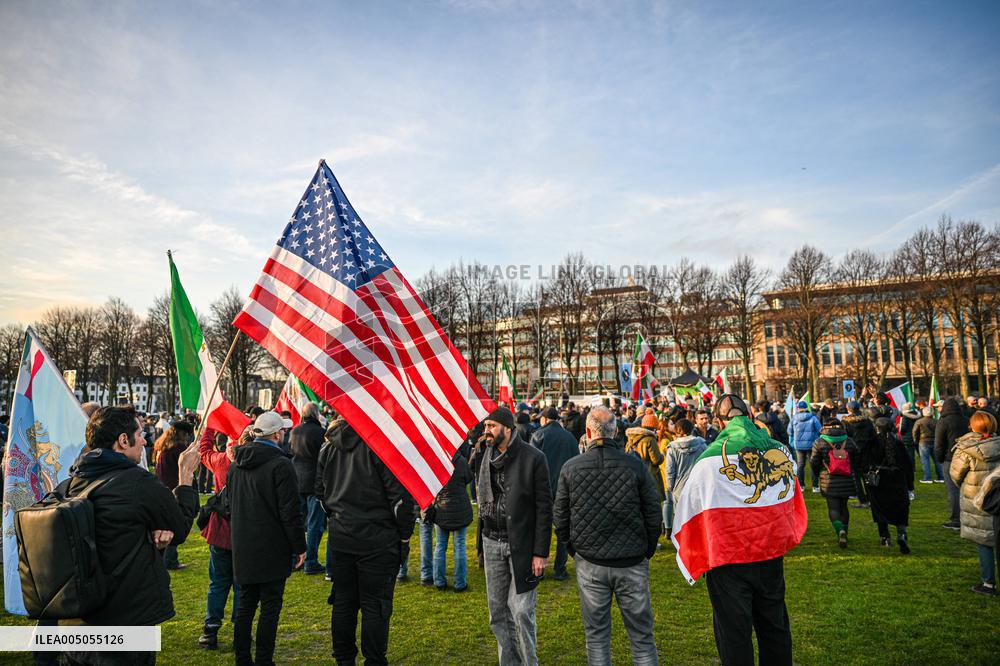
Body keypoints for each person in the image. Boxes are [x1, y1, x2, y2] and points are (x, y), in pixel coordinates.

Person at [62, 406, 200, 666]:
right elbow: (180, 527)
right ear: (123, 441)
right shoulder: (136, 482)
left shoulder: (71, 482)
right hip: (125, 620)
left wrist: (148, 535)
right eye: (140, 433)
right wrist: (186, 476)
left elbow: (112, 533)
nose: (146, 439)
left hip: (75, 621)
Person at [553, 406, 661, 665]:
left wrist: (645, 548)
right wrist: (573, 548)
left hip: (604, 560)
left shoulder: (573, 468)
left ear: (588, 432)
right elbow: (653, 510)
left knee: (598, 637)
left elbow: (560, 517)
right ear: (614, 432)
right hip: (610, 559)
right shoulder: (632, 465)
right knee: (641, 638)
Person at [698, 395, 796, 666]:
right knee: (774, 625)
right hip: (769, 552)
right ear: (751, 417)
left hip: (727, 557)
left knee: (733, 633)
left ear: (719, 422)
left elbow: (691, 503)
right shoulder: (779, 449)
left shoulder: (708, 460)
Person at [316, 416, 416, 666]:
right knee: (368, 605)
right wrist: (404, 536)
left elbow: (321, 492)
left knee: (347, 603)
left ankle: (354, 658)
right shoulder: (338, 447)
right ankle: (362, 659)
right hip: (372, 538)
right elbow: (400, 500)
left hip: (352, 536)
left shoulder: (331, 447)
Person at [227, 411, 306, 666]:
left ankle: (243, 658)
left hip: (244, 545)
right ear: (276, 434)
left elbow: (231, 504)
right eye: (282, 431)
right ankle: (262, 659)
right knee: (269, 607)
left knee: (245, 606)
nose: (284, 434)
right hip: (272, 546)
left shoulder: (236, 463)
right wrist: (299, 546)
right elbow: (290, 511)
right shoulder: (281, 465)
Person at [476, 406, 552, 666]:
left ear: (507, 428)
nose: (486, 431)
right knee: (497, 613)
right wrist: (479, 547)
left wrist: (540, 553)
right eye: (485, 426)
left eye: (492, 426)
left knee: (521, 612)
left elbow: (544, 508)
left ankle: (531, 662)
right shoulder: (482, 456)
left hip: (522, 544)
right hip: (491, 541)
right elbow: (483, 503)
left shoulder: (534, 457)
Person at [196, 426, 246, 650]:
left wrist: (208, 427)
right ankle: (239, 631)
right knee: (240, 585)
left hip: (219, 532)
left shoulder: (219, 461)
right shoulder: (250, 466)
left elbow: (203, 449)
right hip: (243, 532)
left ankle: (210, 630)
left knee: (218, 583)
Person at [949, 410, 1000, 596]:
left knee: (984, 540)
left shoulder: (965, 449)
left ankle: (988, 583)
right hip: (996, 495)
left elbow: (955, 474)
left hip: (978, 498)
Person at [530, 406, 579, 580]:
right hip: (565, 489)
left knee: (540, 529)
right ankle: (560, 568)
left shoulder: (538, 435)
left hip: (542, 490)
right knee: (562, 529)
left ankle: (538, 569)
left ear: (544, 419)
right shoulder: (569, 437)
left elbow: (530, 464)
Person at [864, 418, 913, 553]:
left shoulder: (872, 443)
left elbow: (864, 462)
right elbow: (908, 465)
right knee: (900, 508)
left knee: (880, 509)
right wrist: (910, 485)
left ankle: (885, 536)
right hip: (898, 479)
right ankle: (901, 532)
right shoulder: (898, 443)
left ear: (877, 428)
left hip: (879, 480)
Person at [290, 402, 327, 575]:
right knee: (314, 524)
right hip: (314, 482)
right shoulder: (320, 433)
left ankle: (297, 557)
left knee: (299, 521)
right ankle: (310, 561)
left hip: (297, 480)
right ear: (315, 414)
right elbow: (323, 457)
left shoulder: (295, 431)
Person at [810, 419, 860, 548]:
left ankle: (840, 531)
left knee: (833, 508)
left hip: (829, 479)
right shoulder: (849, 441)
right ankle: (844, 532)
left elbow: (814, 461)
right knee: (844, 507)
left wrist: (817, 474)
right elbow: (856, 459)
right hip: (847, 479)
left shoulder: (819, 442)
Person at [154, 420, 194, 570]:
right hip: (174, 489)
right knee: (173, 526)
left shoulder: (163, 445)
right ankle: (170, 560)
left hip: (161, 488)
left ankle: (168, 559)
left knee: (165, 525)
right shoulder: (178, 449)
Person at [432, 449, 474, 591]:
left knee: (440, 546)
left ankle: (439, 581)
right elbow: (469, 477)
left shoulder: (437, 460)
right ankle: (460, 583)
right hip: (459, 507)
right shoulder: (461, 461)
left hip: (442, 508)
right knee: (459, 546)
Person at [663, 419, 706, 539]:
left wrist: (670, 487)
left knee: (682, 518)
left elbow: (670, 470)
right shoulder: (702, 445)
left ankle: (686, 540)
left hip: (679, 488)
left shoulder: (672, 448)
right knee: (698, 515)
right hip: (697, 485)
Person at [935, 397, 970, 530]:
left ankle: (956, 519)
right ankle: (966, 517)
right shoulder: (965, 420)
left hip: (950, 459)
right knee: (966, 489)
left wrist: (940, 459)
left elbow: (938, 444)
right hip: (965, 457)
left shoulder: (943, 422)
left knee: (953, 490)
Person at [792, 401, 822, 493]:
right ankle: (815, 486)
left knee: (800, 465)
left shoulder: (794, 418)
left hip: (799, 446)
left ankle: (801, 486)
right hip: (812, 445)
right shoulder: (813, 418)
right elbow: (820, 430)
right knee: (813, 465)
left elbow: (789, 431)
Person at [914, 406, 943, 483]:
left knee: (925, 460)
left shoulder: (919, 421)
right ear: (932, 413)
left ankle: (927, 478)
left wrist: (916, 441)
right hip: (934, 441)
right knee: (937, 460)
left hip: (923, 442)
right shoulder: (936, 421)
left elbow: (915, 432)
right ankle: (941, 477)